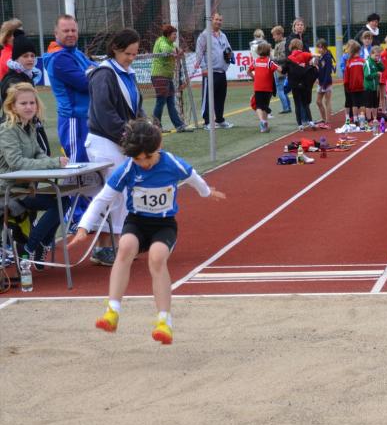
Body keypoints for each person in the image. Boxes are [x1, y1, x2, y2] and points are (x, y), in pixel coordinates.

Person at [68, 118, 226, 345]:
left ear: (158, 146)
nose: (143, 163)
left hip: (163, 224)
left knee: (157, 258)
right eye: (137, 159)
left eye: (148, 157)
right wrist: (84, 226)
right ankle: (112, 311)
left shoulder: (172, 163)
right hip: (137, 222)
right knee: (124, 248)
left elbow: (193, 177)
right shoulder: (128, 169)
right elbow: (103, 198)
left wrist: (206, 193)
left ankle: (164, 322)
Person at [86, 28, 144, 266]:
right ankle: (103, 247)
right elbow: (105, 113)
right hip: (105, 141)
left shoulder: (127, 73)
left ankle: (116, 243)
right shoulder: (104, 74)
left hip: (121, 140)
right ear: (115, 49)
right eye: (127, 53)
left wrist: (146, 128)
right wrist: (130, 137)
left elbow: (135, 107)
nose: (131, 58)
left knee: (123, 193)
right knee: (112, 193)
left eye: (134, 54)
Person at [0, 83, 69, 270]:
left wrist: (53, 162)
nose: (29, 107)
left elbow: (39, 153)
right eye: (23, 103)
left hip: (24, 188)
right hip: (8, 191)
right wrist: (53, 163)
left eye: (32, 103)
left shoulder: (29, 126)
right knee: (58, 202)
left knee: (64, 200)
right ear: (12, 106)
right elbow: (16, 163)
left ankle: (39, 246)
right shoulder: (7, 129)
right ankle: (31, 247)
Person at [43, 15, 94, 166]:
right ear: (56, 34)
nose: (71, 34)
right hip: (74, 120)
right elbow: (86, 83)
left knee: (91, 164)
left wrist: (92, 72)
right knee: (78, 165)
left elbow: (100, 73)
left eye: (73, 30)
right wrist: (91, 72)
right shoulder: (59, 58)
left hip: (87, 117)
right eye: (66, 31)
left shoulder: (76, 53)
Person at [0, 31, 50, 155]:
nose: (30, 59)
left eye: (32, 55)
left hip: (26, 126)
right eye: (25, 56)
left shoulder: (26, 75)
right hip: (17, 130)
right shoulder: (13, 80)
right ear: (16, 58)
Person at [194, 12, 233, 130]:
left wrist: (229, 55)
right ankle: (207, 122)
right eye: (216, 19)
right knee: (208, 98)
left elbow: (229, 49)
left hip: (222, 71)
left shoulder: (223, 35)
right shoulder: (204, 35)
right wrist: (204, 68)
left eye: (220, 20)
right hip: (210, 72)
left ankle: (220, 120)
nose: (218, 22)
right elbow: (199, 52)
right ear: (211, 20)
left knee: (221, 97)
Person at [150, 24, 185, 133]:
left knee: (170, 101)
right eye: (174, 34)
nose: (176, 36)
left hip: (167, 77)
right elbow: (165, 50)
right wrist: (175, 51)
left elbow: (177, 50)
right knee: (161, 101)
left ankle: (179, 125)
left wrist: (178, 51)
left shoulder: (171, 43)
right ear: (168, 35)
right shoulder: (162, 41)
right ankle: (156, 127)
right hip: (159, 76)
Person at [282, 38, 318, 130]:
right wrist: (312, 63)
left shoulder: (289, 58)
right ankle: (310, 121)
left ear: (291, 46)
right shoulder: (304, 54)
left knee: (297, 104)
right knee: (305, 103)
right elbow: (315, 55)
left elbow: (283, 71)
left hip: (294, 84)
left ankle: (300, 125)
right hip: (304, 83)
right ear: (300, 46)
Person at [248, 42, 278, 133]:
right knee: (265, 106)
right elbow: (279, 69)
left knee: (258, 106)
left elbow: (248, 71)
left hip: (258, 87)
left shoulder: (255, 61)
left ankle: (262, 121)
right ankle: (265, 126)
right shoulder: (269, 62)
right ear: (268, 51)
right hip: (268, 88)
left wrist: (254, 78)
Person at [343, 40, 366, 130]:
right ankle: (362, 120)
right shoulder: (363, 61)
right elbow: (366, 73)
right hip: (362, 86)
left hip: (352, 87)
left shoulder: (349, 62)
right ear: (359, 51)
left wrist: (346, 85)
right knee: (362, 104)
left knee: (354, 104)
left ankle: (354, 119)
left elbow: (346, 76)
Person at [270, 25, 291, 114]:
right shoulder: (281, 43)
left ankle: (286, 108)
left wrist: (273, 59)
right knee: (282, 89)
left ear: (279, 34)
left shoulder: (282, 44)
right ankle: (288, 107)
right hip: (280, 69)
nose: (273, 37)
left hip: (280, 69)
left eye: (274, 35)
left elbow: (283, 57)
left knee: (280, 90)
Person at [315, 38, 335, 128]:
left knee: (327, 101)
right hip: (320, 82)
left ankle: (328, 122)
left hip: (327, 83)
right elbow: (319, 70)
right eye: (318, 47)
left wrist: (324, 84)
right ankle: (323, 119)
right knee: (318, 101)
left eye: (321, 47)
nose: (319, 49)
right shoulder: (320, 57)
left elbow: (328, 72)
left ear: (325, 47)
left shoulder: (327, 57)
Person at [363, 45, 384, 123]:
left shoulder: (376, 62)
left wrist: (379, 62)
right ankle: (369, 119)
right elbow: (367, 75)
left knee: (375, 104)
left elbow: (383, 69)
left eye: (378, 56)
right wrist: (376, 74)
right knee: (368, 104)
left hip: (376, 87)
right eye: (376, 55)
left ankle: (375, 119)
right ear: (371, 54)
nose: (377, 57)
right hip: (369, 87)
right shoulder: (368, 62)